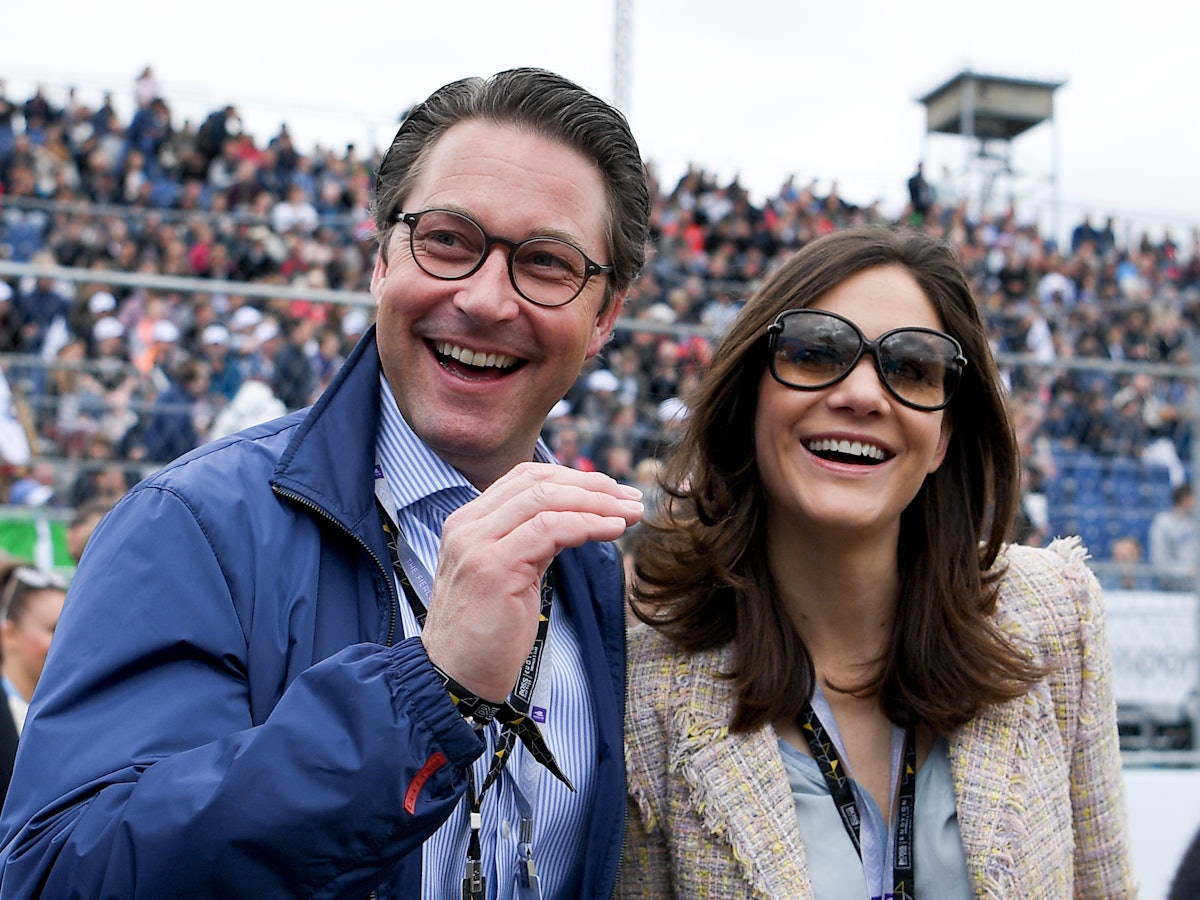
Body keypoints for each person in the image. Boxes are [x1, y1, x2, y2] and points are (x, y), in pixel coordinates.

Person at [0, 67, 650, 899]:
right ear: (382, 260)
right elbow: (57, 875)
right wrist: (426, 694)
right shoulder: (193, 526)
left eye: (547, 262)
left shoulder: (601, 573)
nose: (487, 299)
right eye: (448, 240)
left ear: (604, 318)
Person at [619, 227, 1135, 898]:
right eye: (812, 353)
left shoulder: (1055, 615)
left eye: (913, 369)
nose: (864, 394)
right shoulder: (643, 690)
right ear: (751, 397)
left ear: (945, 432)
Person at [0, 561, 68, 800]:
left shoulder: (69, 714)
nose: (65, 642)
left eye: (70, 630)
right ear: (9, 634)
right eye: (54, 629)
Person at [1149, 482, 1197, 590]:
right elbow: (1160, 564)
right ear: (1185, 499)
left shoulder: (1196, 522)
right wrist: (1187, 571)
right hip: (1171, 590)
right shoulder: (1163, 523)